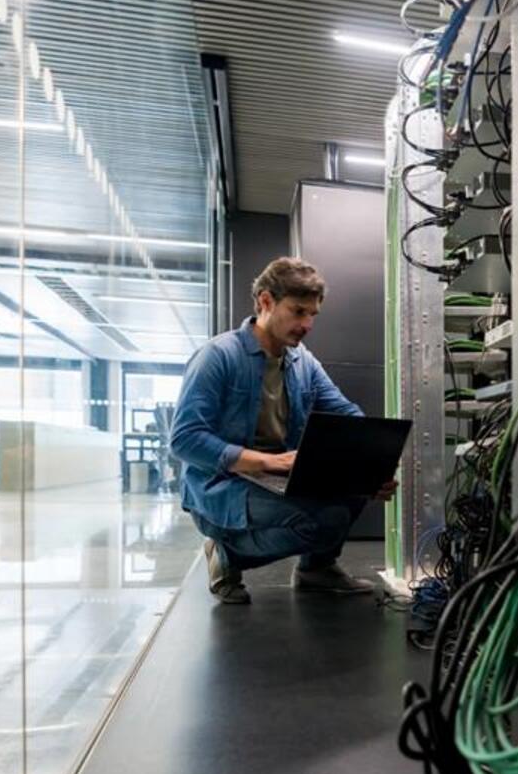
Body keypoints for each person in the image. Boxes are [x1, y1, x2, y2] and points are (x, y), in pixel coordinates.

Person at [169, 256, 397, 604]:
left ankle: (316, 569)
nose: (307, 324)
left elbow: (345, 413)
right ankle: (227, 555)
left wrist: (369, 465)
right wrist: (265, 462)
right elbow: (184, 440)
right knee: (320, 521)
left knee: (352, 491)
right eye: (298, 311)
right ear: (265, 302)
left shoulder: (302, 361)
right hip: (223, 484)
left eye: (312, 315)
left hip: (276, 477)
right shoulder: (217, 357)